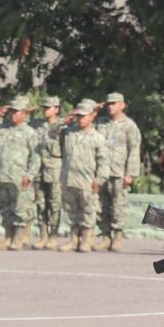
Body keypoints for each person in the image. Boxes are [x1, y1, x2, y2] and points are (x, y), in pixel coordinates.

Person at [0, 96, 42, 250]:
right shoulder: (2, 129)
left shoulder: (30, 133)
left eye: (17, 112)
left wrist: (30, 175)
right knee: (5, 208)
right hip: (2, 174)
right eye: (11, 111)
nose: (13, 115)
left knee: (20, 208)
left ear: (24, 114)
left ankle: (19, 238)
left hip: (20, 177)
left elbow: (36, 156)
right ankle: (8, 237)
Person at [97, 92, 142, 251]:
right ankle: (105, 236)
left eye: (114, 103)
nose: (110, 106)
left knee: (118, 205)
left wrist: (131, 173)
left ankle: (117, 236)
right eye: (108, 104)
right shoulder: (101, 124)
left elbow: (134, 150)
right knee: (101, 205)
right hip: (102, 172)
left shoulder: (129, 125)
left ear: (122, 105)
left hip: (119, 172)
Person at [59, 100, 105, 251]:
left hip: (88, 181)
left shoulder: (97, 137)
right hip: (69, 179)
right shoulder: (68, 133)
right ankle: (73, 240)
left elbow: (103, 161)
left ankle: (86, 240)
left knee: (88, 212)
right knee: (71, 212)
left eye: (84, 116)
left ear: (92, 116)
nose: (80, 119)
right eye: (78, 116)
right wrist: (66, 120)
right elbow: (52, 133)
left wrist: (99, 179)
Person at [33, 98, 65, 249]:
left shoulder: (62, 127)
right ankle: (43, 235)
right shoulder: (37, 125)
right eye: (44, 107)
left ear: (56, 109)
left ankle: (53, 235)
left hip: (55, 169)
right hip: (39, 168)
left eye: (49, 108)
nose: (45, 110)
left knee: (54, 204)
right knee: (41, 204)